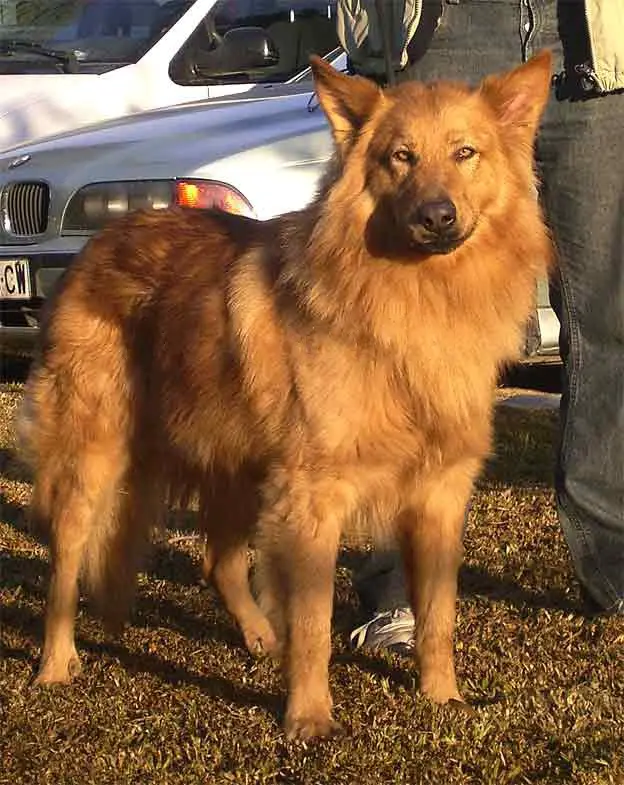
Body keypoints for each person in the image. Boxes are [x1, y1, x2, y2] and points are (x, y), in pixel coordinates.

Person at [335, 0, 624, 653]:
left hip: (590, 36)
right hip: (437, 28)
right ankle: (397, 590)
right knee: (394, 329)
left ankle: (614, 567)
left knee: (610, 316)